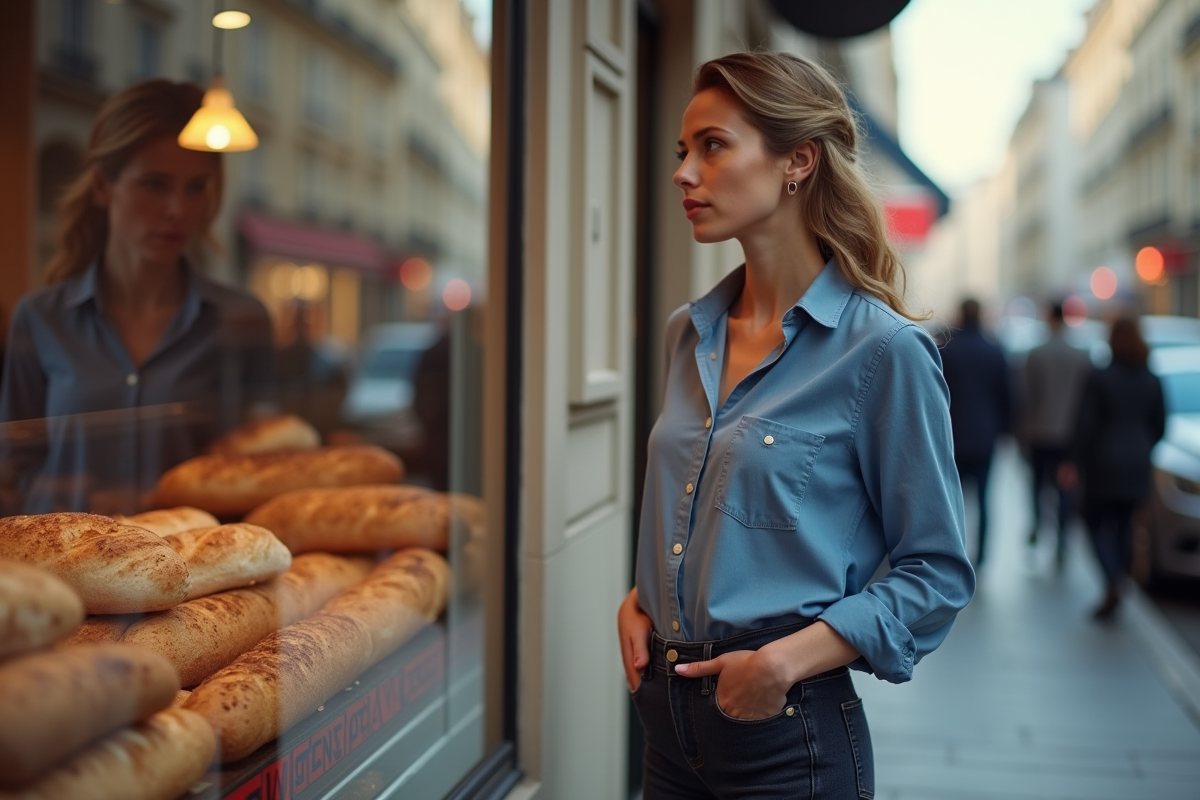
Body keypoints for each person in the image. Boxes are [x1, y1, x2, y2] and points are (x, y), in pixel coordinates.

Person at [616, 52, 975, 799]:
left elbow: (936, 573)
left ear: (797, 162)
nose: (685, 173)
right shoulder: (689, 332)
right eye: (684, 152)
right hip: (663, 731)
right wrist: (643, 600)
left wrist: (781, 664)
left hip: (784, 736)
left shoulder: (883, 352)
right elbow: (697, 507)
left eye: (713, 146)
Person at [0, 79, 274, 515]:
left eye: (196, 188)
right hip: (68, 570)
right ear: (102, 187)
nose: (177, 210)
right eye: (154, 184)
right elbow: (14, 467)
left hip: (195, 572)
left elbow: (262, 471)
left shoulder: (240, 320)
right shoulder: (40, 319)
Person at [1067, 317, 1165, 620]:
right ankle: (1118, 579)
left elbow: (1085, 424)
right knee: (1125, 526)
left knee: (1093, 523)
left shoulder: (1100, 377)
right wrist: (1141, 446)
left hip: (1103, 462)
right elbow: (1160, 425)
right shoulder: (1151, 379)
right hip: (1136, 462)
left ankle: (1112, 580)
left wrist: (1074, 460)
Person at [938, 298, 1012, 566]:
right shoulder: (994, 350)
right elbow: (1007, 395)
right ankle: (981, 557)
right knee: (983, 499)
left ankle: (954, 552)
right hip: (985, 436)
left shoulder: (948, 350)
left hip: (952, 436)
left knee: (952, 499)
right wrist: (1005, 431)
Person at [1021, 301, 1092, 568]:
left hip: (1040, 432)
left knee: (1038, 485)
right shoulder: (1081, 355)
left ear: (1050, 318)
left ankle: (1039, 526)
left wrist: (1022, 433)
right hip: (1069, 437)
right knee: (1066, 489)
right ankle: (1062, 539)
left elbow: (1026, 397)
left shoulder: (1036, 354)